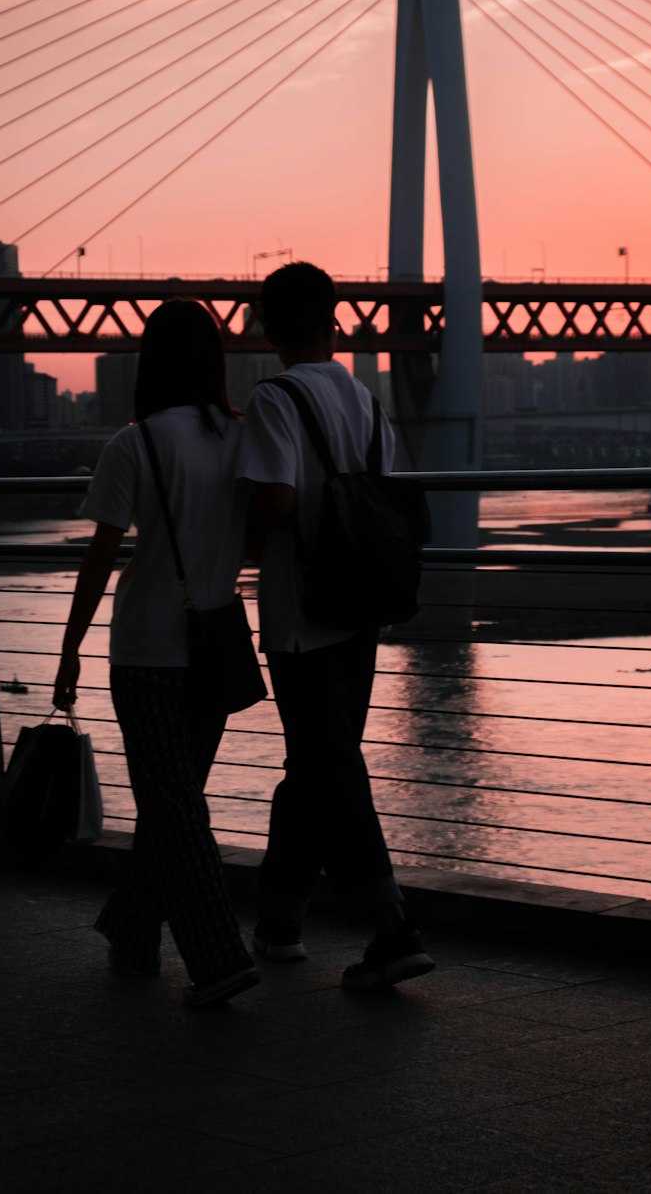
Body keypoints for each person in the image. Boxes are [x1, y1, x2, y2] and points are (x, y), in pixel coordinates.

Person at [52, 299, 257, 1007]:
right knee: (175, 804)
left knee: (172, 808)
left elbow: (100, 560)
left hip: (144, 650)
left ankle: (217, 959)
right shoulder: (243, 438)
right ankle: (133, 934)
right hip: (216, 642)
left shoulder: (132, 445)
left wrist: (70, 651)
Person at [241, 261, 434, 989]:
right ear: (335, 319)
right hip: (362, 605)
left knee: (327, 762)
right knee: (318, 762)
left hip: (301, 610)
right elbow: (388, 490)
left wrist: (236, 516)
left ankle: (392, 926)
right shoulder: (363, 397)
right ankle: (280, 919)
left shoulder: (275, 398)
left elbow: (277, 499)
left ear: (267, 326)